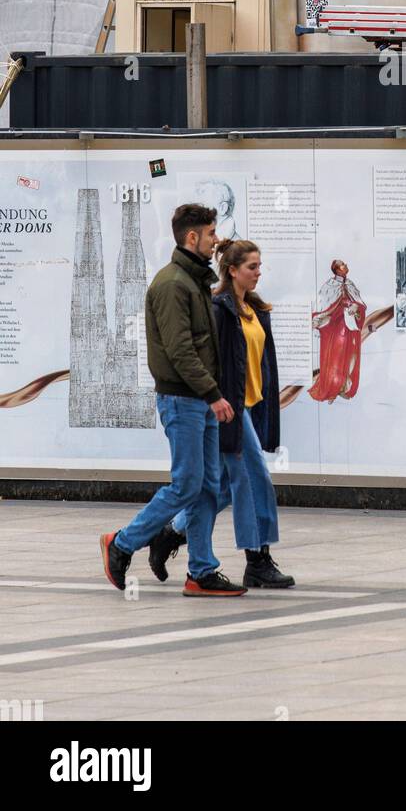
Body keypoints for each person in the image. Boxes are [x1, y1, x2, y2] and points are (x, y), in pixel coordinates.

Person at [99, 204, 247, 597]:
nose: (216, 239)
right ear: (191, 237)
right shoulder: (171, 284)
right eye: (211, 233)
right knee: (186, 486)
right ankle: (122, 542)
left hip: (198, 400)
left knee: (207, 488)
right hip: (183, 401)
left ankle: (200, 571)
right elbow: (180, 352)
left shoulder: (194, 280)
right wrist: (212, 394)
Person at [148, 238, 294, 589]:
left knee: (221, 488)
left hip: (248, 405)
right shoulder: (218, 308)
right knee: (255, 478)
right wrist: (213, 401)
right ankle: (257, 559)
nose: (258, 273)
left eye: (260, 266)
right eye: (251, 267)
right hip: (226, 407)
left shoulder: (254, 308)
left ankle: (171, 532)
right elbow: (206, 360)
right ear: (232, 270)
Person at [308, 259, 366, 403]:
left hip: (350, 325)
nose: (346, 266)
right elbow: (322, 305)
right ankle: (332, 388)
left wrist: (356, 307)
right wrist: (318, 318)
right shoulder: (330, 286)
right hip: (334, 326)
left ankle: (343, 387)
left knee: (350, 354)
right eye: (343, 265)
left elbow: (360, 304)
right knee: (336, 355)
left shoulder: (350, 284)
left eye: (345, 264)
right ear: (337, 269)